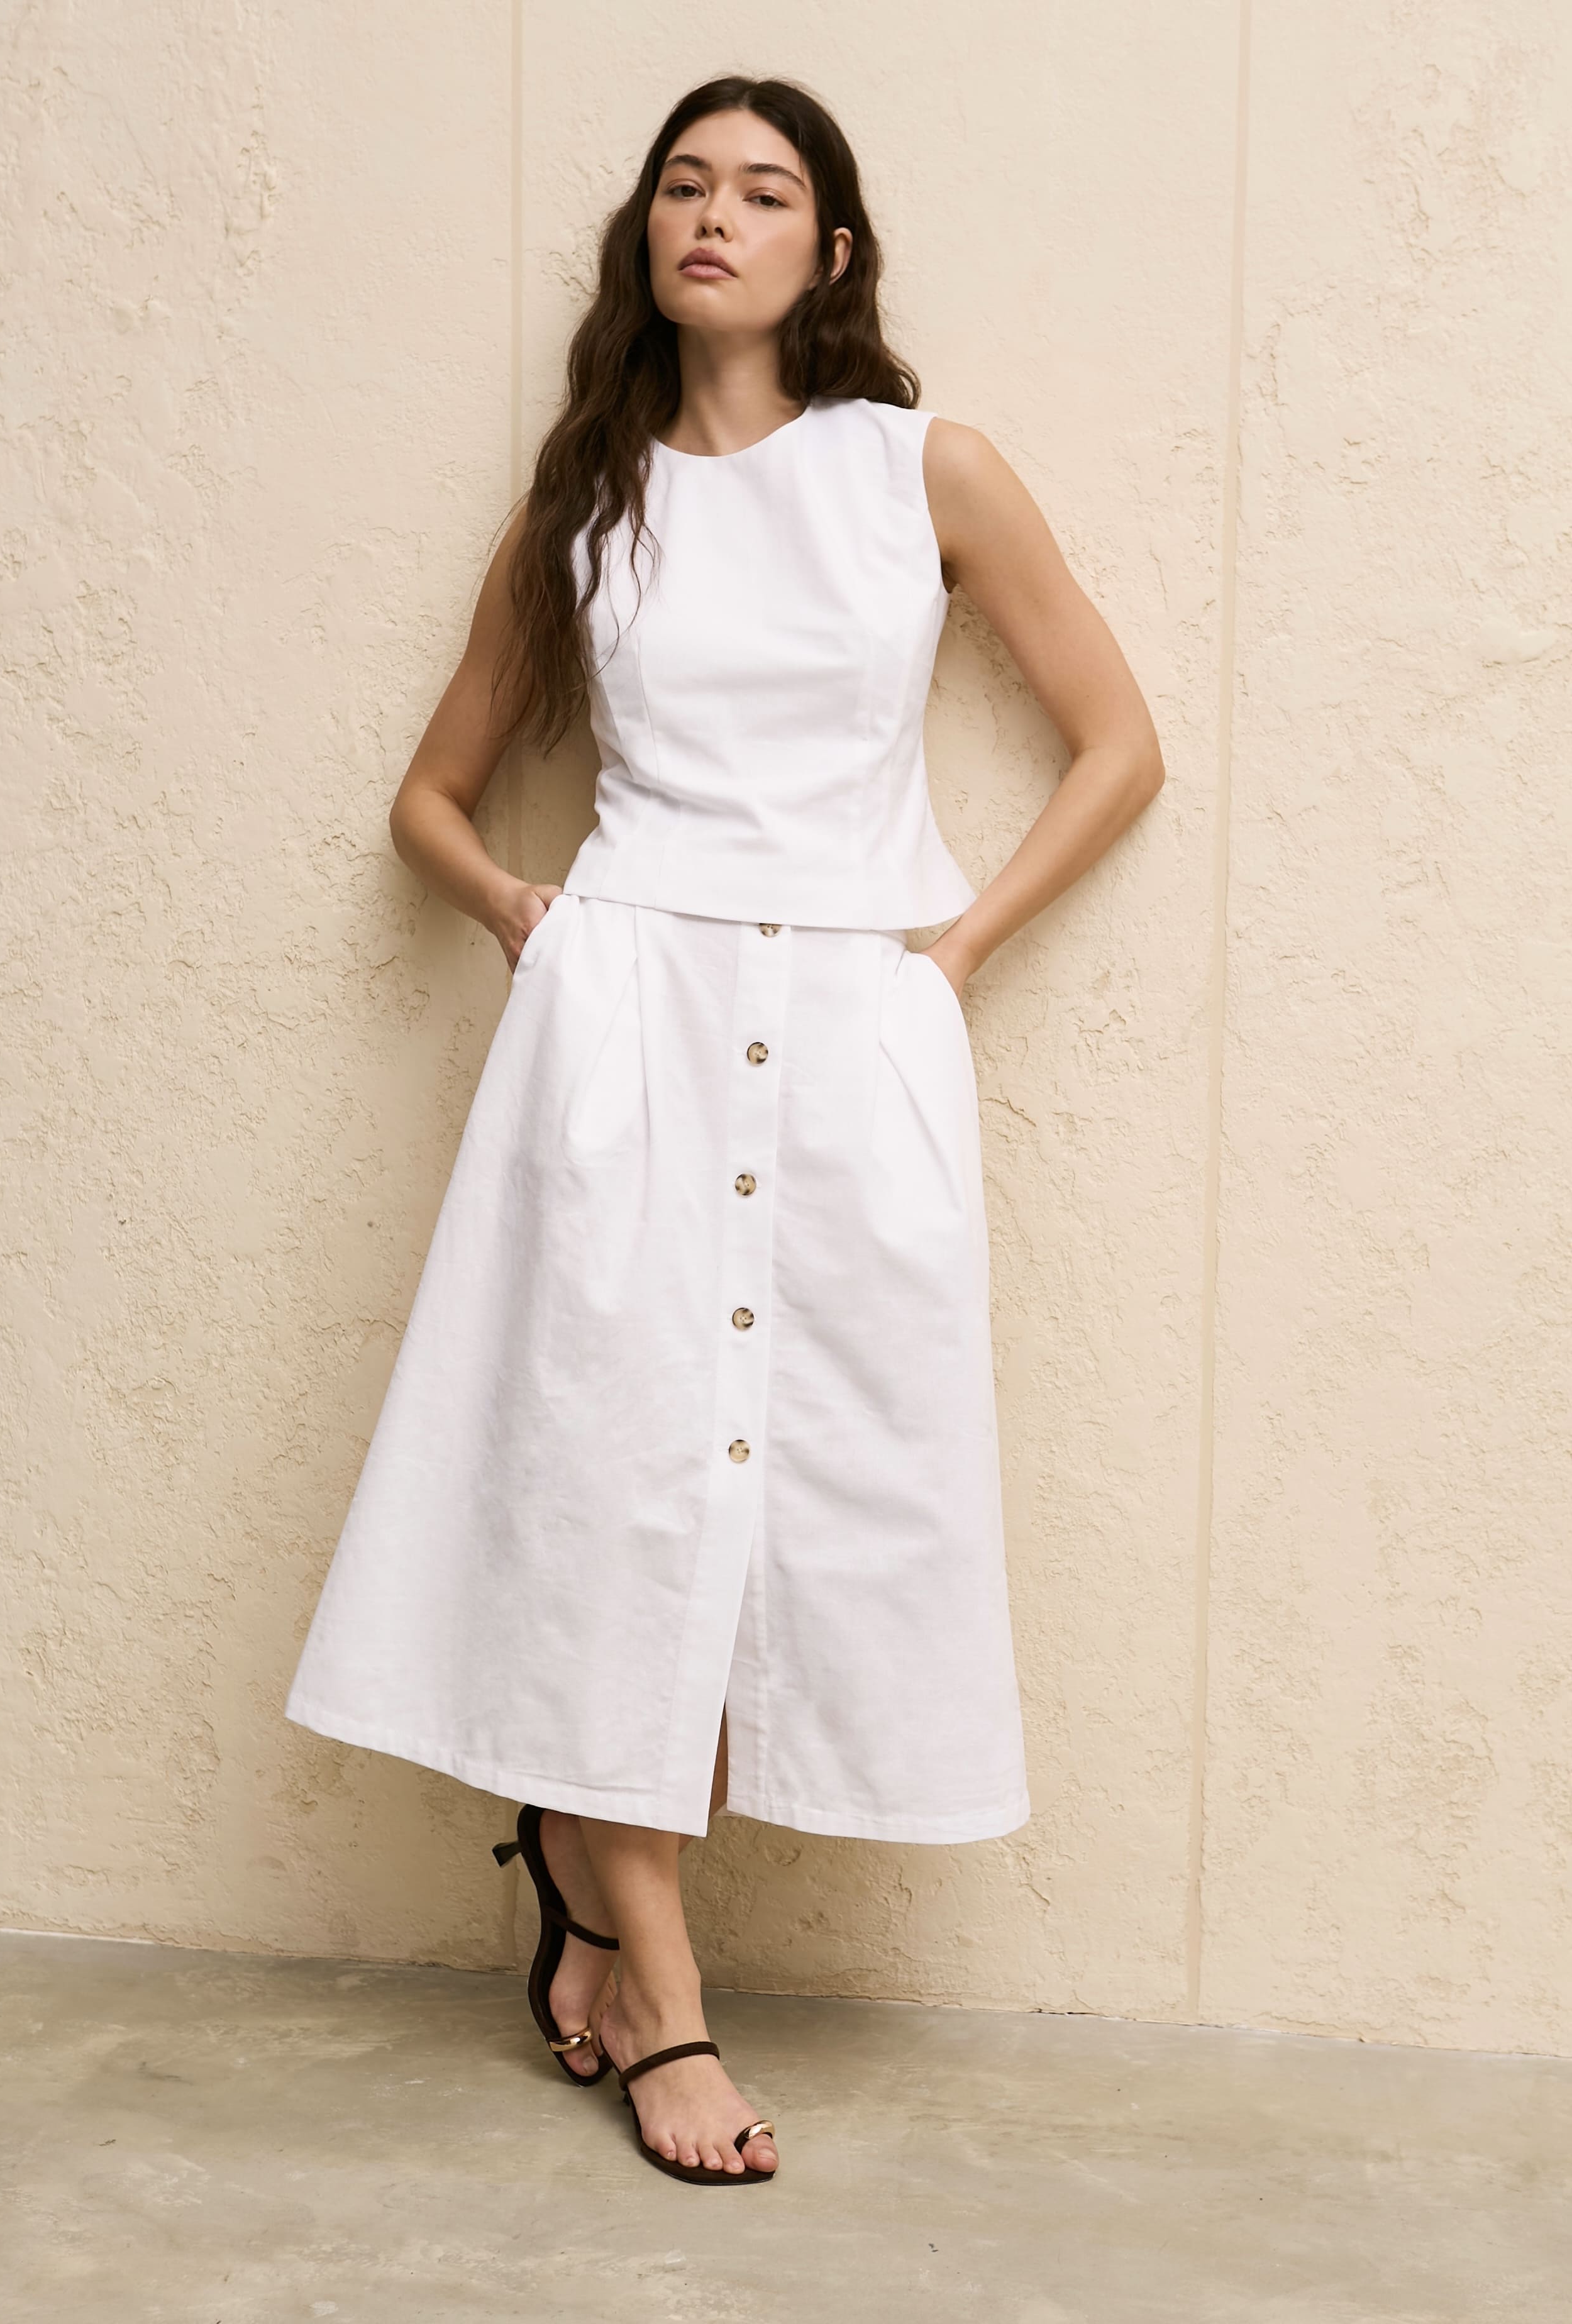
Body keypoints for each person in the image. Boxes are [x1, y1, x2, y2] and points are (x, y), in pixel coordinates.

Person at [286, 74, 1164, 2187]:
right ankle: (661, 1984)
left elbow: (1121, 743)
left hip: (852, 1025)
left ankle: (581, 1889)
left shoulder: (922, 471)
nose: (717, 214)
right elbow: (428, 798)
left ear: (830, 252)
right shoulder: (587, 503)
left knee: (771, 1486)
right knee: (611, 1475)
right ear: (647, 236)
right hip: (627, 1028)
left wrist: (951, 952)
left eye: (766, 191)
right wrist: (528, 918)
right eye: (685, 183)